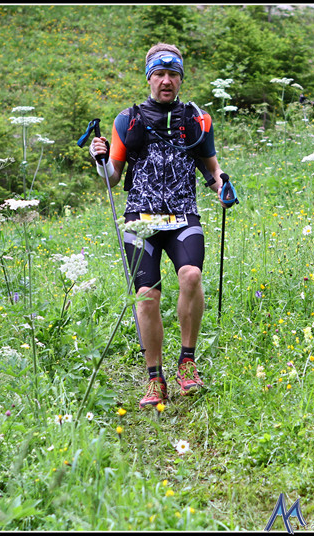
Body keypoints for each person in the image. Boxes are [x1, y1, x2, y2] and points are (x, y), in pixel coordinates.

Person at [88, 43, 234, 409]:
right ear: (149, 78)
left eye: (173, 74)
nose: (166, 81)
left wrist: (223, 187)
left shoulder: (196, 120)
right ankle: (155, 379)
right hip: (140, 219)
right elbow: (112, 177)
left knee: (191, 276)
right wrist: (99, 159)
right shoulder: (128, 120)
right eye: (159, 74)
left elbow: (212, 168)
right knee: (146, 295)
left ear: (181, 79)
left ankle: (187, 363)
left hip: (183, 215)